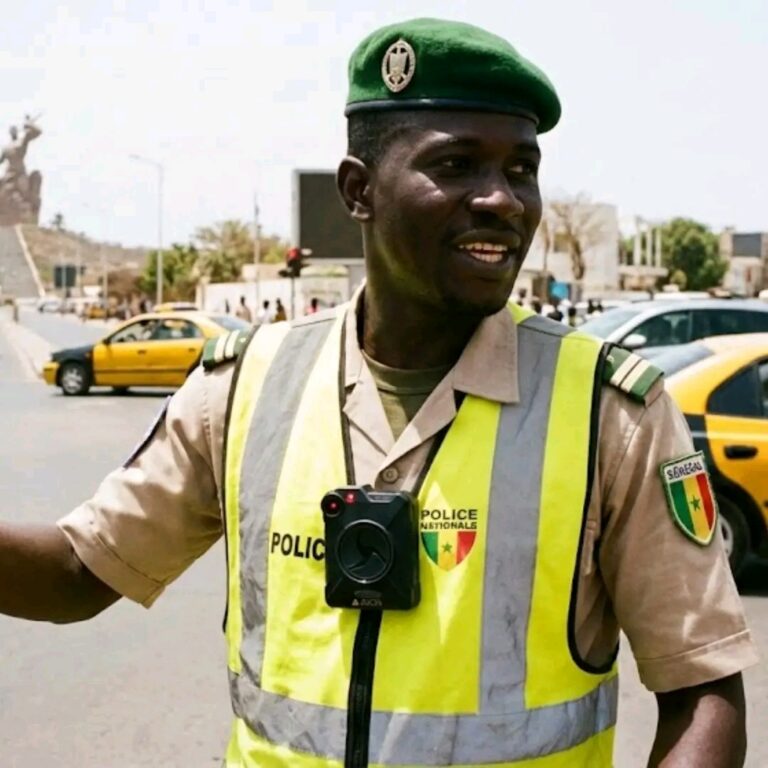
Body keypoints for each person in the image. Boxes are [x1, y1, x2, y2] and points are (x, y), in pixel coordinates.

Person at [0, 18, 756, 768]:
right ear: (359, 191)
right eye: (457, 165)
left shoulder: (609, 411)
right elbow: (79, 572)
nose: (503, 200)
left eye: (521, 169)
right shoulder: (245, 386)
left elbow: (703, 692)